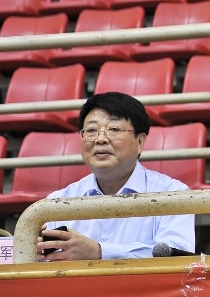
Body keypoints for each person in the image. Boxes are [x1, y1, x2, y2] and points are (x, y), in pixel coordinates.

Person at [37, 91, 195, 261]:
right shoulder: (56, 202)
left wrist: (99, 252)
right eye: (91, 130)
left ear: (140, 142)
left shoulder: (173, 194)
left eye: (114, 129)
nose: (100, 139)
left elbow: (177, 255)